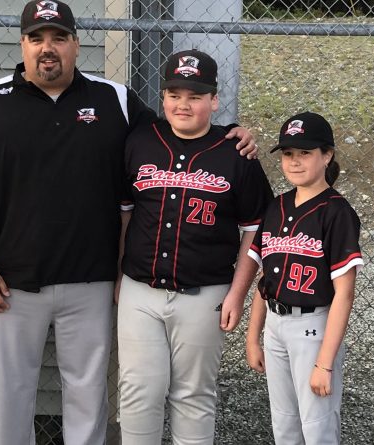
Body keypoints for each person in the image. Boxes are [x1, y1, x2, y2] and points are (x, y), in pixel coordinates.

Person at [0, 1, 255, 443]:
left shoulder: (115, 100)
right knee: (7, 398)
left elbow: (176, 135)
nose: (47, 48)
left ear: (76, 43)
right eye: (37, 38)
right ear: (23, 44)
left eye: (58, 38)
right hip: (10, 281)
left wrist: (231, 133)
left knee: (88, 397)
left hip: (91, 278)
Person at [115, 49, 272, 445]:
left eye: (195, 95)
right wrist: (119, 274)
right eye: (174, 94)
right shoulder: (140, 141)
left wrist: (239, 291)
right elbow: (125, 214)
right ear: (162, 96)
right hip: (140, 289)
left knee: (194, 394)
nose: (183, 104)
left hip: (205, 293)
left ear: (214, 100)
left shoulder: (236, 152)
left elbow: (256, 227)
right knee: (138, 392)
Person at [244, 111, 364, 445]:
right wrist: (253, 336)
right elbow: (265, 279)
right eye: (288, 154)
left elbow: (345, 294)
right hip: (276, 325)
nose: (295, 162)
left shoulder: (337, 212)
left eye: (305, 153)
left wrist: (324, 363)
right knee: (283, 426)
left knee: (318, 427)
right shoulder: (277, 206)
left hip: (313, 329)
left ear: (327, 156)